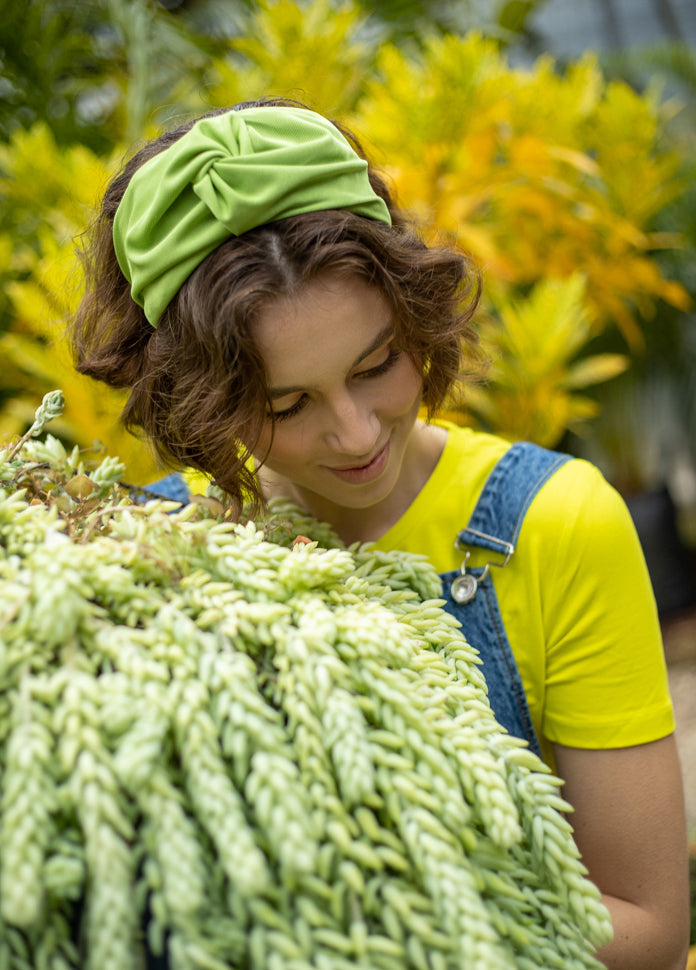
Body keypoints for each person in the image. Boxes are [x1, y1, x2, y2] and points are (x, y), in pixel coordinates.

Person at [71, 98, 690, 969]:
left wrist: (360, 892)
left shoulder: (554, 523)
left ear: (416, 318)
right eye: (286, 405)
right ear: (199, 402)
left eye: (377, 367)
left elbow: (652, 931)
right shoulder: (148, 552)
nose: (357, 434)